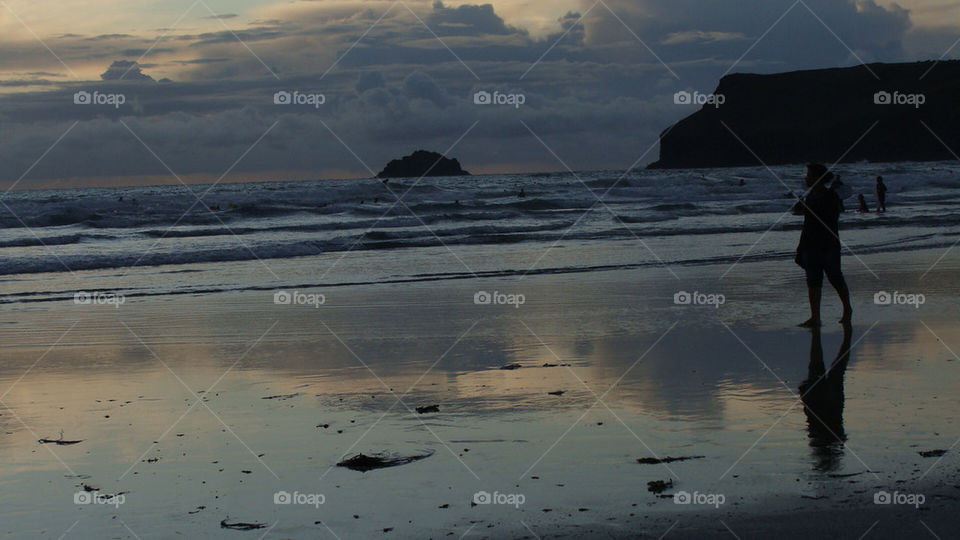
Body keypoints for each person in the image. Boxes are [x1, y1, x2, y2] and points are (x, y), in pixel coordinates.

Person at [795, 163, 852, 327]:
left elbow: (830, 219)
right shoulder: (810, 196)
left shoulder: (830, 196)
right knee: (813, 280)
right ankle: (815, 317)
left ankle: (847, 309)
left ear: (816, 178)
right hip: (811, 242)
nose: (806, 177)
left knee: (835, 277)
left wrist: (807, 209)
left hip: (828, 243)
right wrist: (801, 247)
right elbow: (808, 224)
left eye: (809, 174)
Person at [798, 322, 852, 471]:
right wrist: (804, 395)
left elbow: (810, 416)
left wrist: (804, 395)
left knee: (827, 366)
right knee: (832, 367)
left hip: (823, 402)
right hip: (824, 402)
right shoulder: (822, 438)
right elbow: (809, 416)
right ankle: (845, 335)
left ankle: (840, 336)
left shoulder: (823, 438)